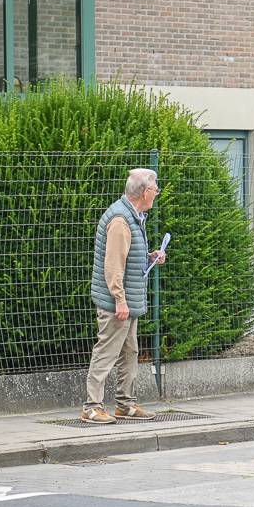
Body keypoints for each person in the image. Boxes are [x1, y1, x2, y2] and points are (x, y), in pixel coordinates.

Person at [82, 168, 167, 424]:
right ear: (144, 192)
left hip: (127, 302)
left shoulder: (133, 216)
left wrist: (150, 257)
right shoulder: (120, 220)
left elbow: (127, 257)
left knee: (130, 351)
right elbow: (113, 265)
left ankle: (125, 404)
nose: (157, 193)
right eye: (155, 189)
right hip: (117, 303)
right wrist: (119, 299)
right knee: (106, 352)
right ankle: (92, 407)